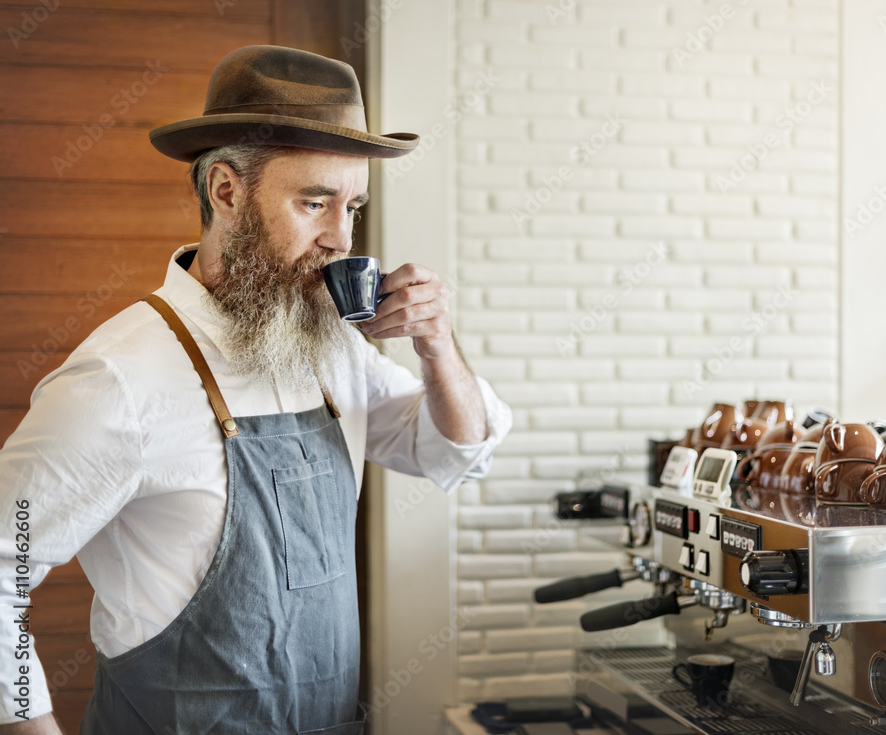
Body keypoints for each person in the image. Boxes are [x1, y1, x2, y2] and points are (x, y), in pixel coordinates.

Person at [0, 45, 511, 734]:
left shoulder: (331, 349)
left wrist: (438, 347)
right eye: (313, 202)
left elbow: (456, 449)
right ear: (226, 191)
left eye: (352, 207)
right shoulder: (119, 379)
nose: (341, 238)